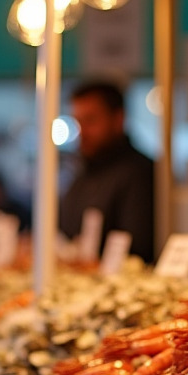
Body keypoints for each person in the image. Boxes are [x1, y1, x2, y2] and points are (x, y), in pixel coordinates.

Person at [58, 82, 155, 263]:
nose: (82, 132)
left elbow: (138, 251)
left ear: (118, 119)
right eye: (78, 122)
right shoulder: (84, 171)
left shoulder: (140, 173)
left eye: (90, 121)